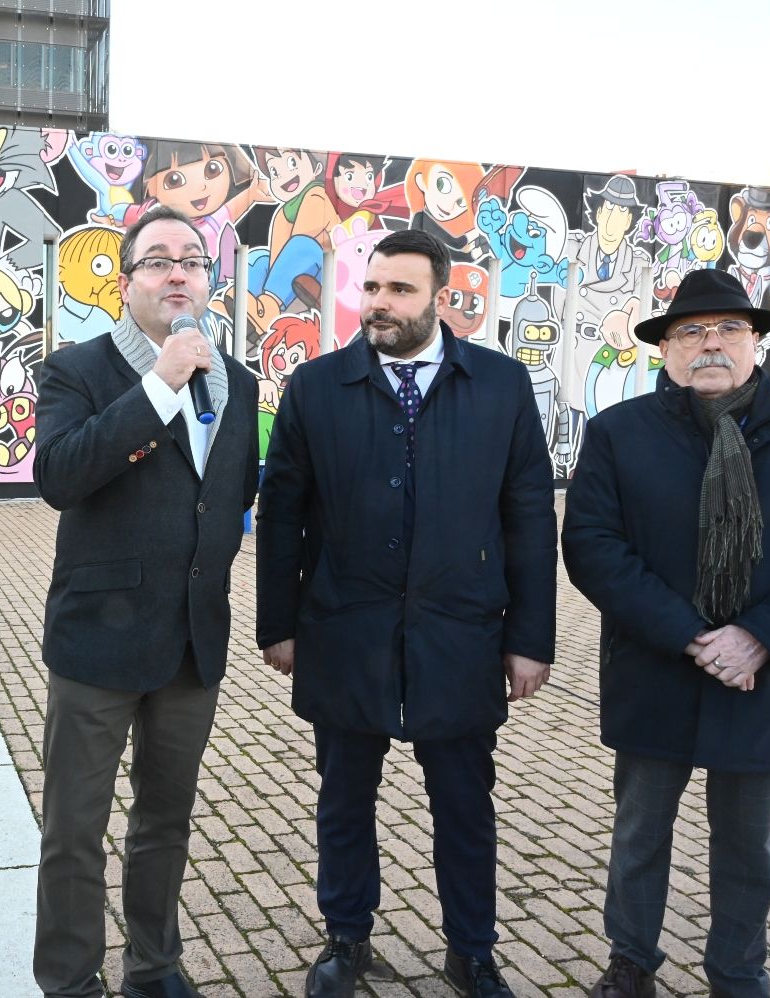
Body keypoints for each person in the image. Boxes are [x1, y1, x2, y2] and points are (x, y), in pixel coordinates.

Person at [257, 227, 556, 998]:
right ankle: (347, 941)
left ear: (441, 299)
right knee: (345, 798)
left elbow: (527, 515)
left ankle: (472, 950)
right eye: (373, 287)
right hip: (343, 628)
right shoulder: (317, 386)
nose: (380, 304)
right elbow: (282, 510)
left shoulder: (500, 384)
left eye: (401, 290)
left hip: (460, 634)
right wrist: (279, 623)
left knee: (463, 803)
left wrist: (530, 638)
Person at [561, 267, 770, 998]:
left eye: (728, 328)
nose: (710, 344)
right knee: (639, 835)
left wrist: (757, 637)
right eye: (690, 332)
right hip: (656, 667)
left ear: (757, 341)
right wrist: (694, 637)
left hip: (767, 677)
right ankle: (631, 961)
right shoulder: (619, 434)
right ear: (665, 350)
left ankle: (737, 972)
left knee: (748, 847)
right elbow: (593, 546)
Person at [32, 203, 260, 998]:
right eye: (158, 260)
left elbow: (229, 501)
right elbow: (60, 476)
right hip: (99, 640)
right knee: (75, 828)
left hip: (192, 643)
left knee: (164, 823)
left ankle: (154, 968)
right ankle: (69, 979)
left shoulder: (238, 382)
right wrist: (158, 384)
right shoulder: (77, 370)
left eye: (192, 260)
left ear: (208, 280)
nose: (177, 272)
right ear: (126, 282)